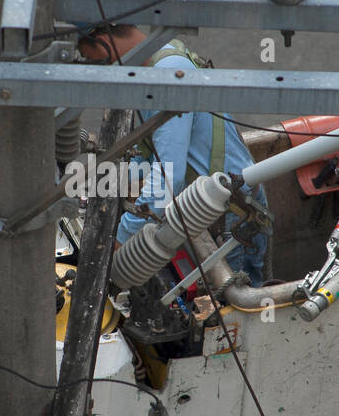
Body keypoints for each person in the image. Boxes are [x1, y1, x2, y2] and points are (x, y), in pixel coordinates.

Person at [76, 24, 270, 285]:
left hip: (233, 214)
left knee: (237, 310)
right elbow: (149, 157)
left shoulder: (167, 77)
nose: (98, 69)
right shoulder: (156, 61)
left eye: (93, 60)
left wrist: (121, 240)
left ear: (102, 40)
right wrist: (101, 184)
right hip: (211, 202)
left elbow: (168, 178)